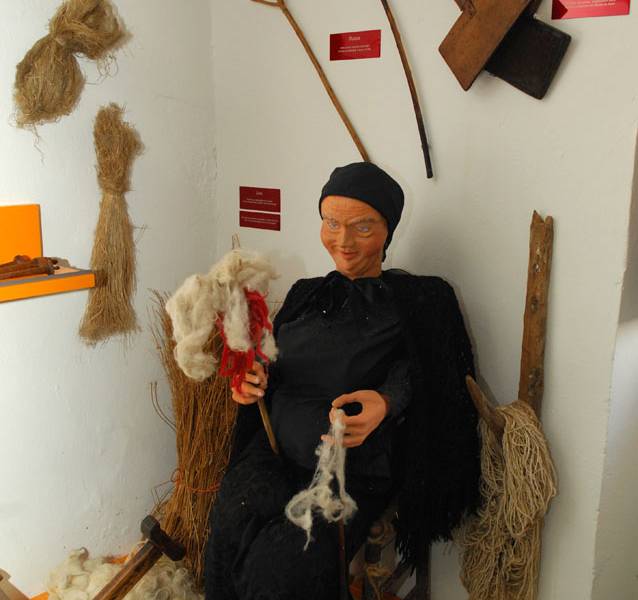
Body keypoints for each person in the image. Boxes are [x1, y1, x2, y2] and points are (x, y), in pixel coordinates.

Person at [203, 162, 480, 600]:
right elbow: (276, 365)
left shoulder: (418, 299)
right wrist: (251, 382)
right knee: (228, 529)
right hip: (275, 452)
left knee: (281, 567)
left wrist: (387, 401)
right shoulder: (305, 293)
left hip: (348, 471)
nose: (343, 240)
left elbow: (432, 369)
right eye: (331, 223)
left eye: (362, 227)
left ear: (388, 231)